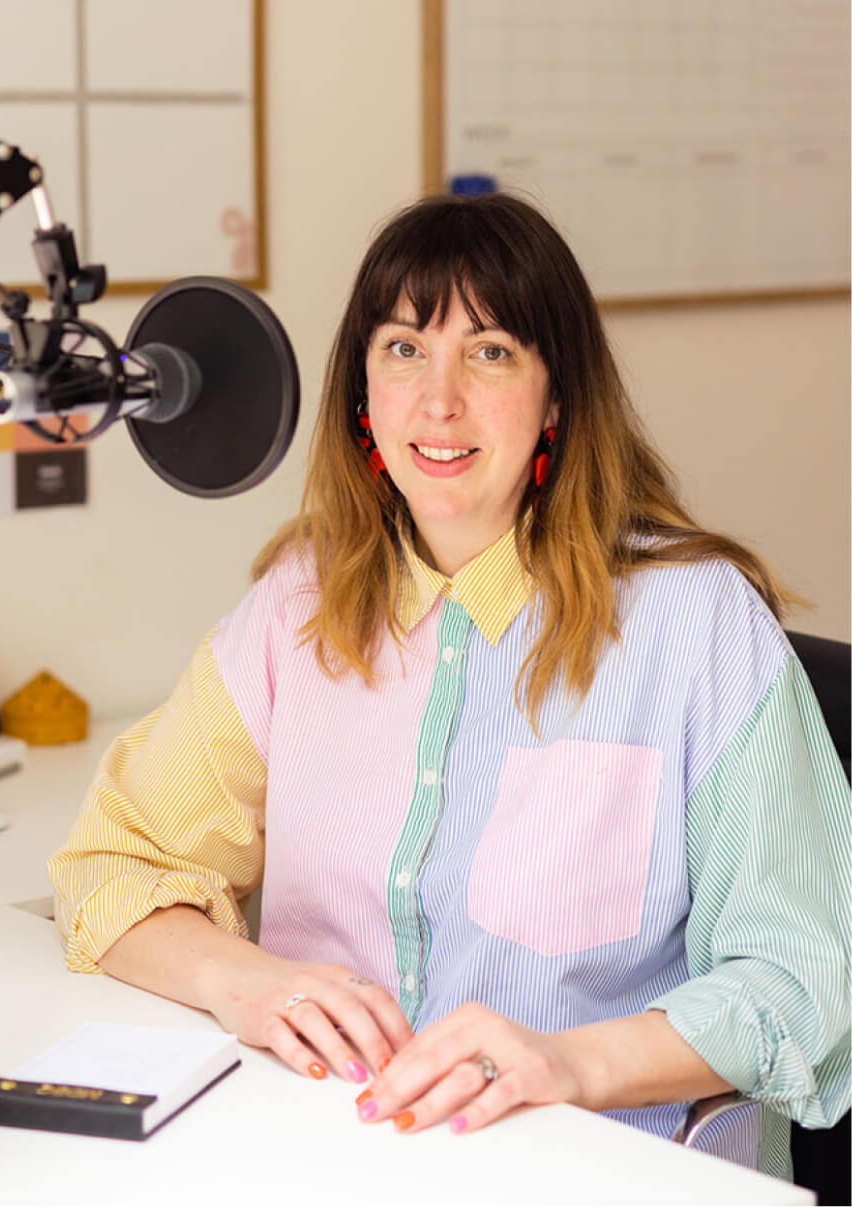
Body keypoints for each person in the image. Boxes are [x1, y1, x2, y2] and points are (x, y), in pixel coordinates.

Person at [49, 193, 849, 1178]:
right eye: (401, 350)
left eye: (490, 352)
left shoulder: (695, 621)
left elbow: (798, 979)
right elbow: (111, 865)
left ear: (556, 396)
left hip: (591, 1165)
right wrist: (243, 981)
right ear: (361, 393)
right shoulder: (296, 603)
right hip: (322, 1153)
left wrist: (564, 1062)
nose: (438, 401)